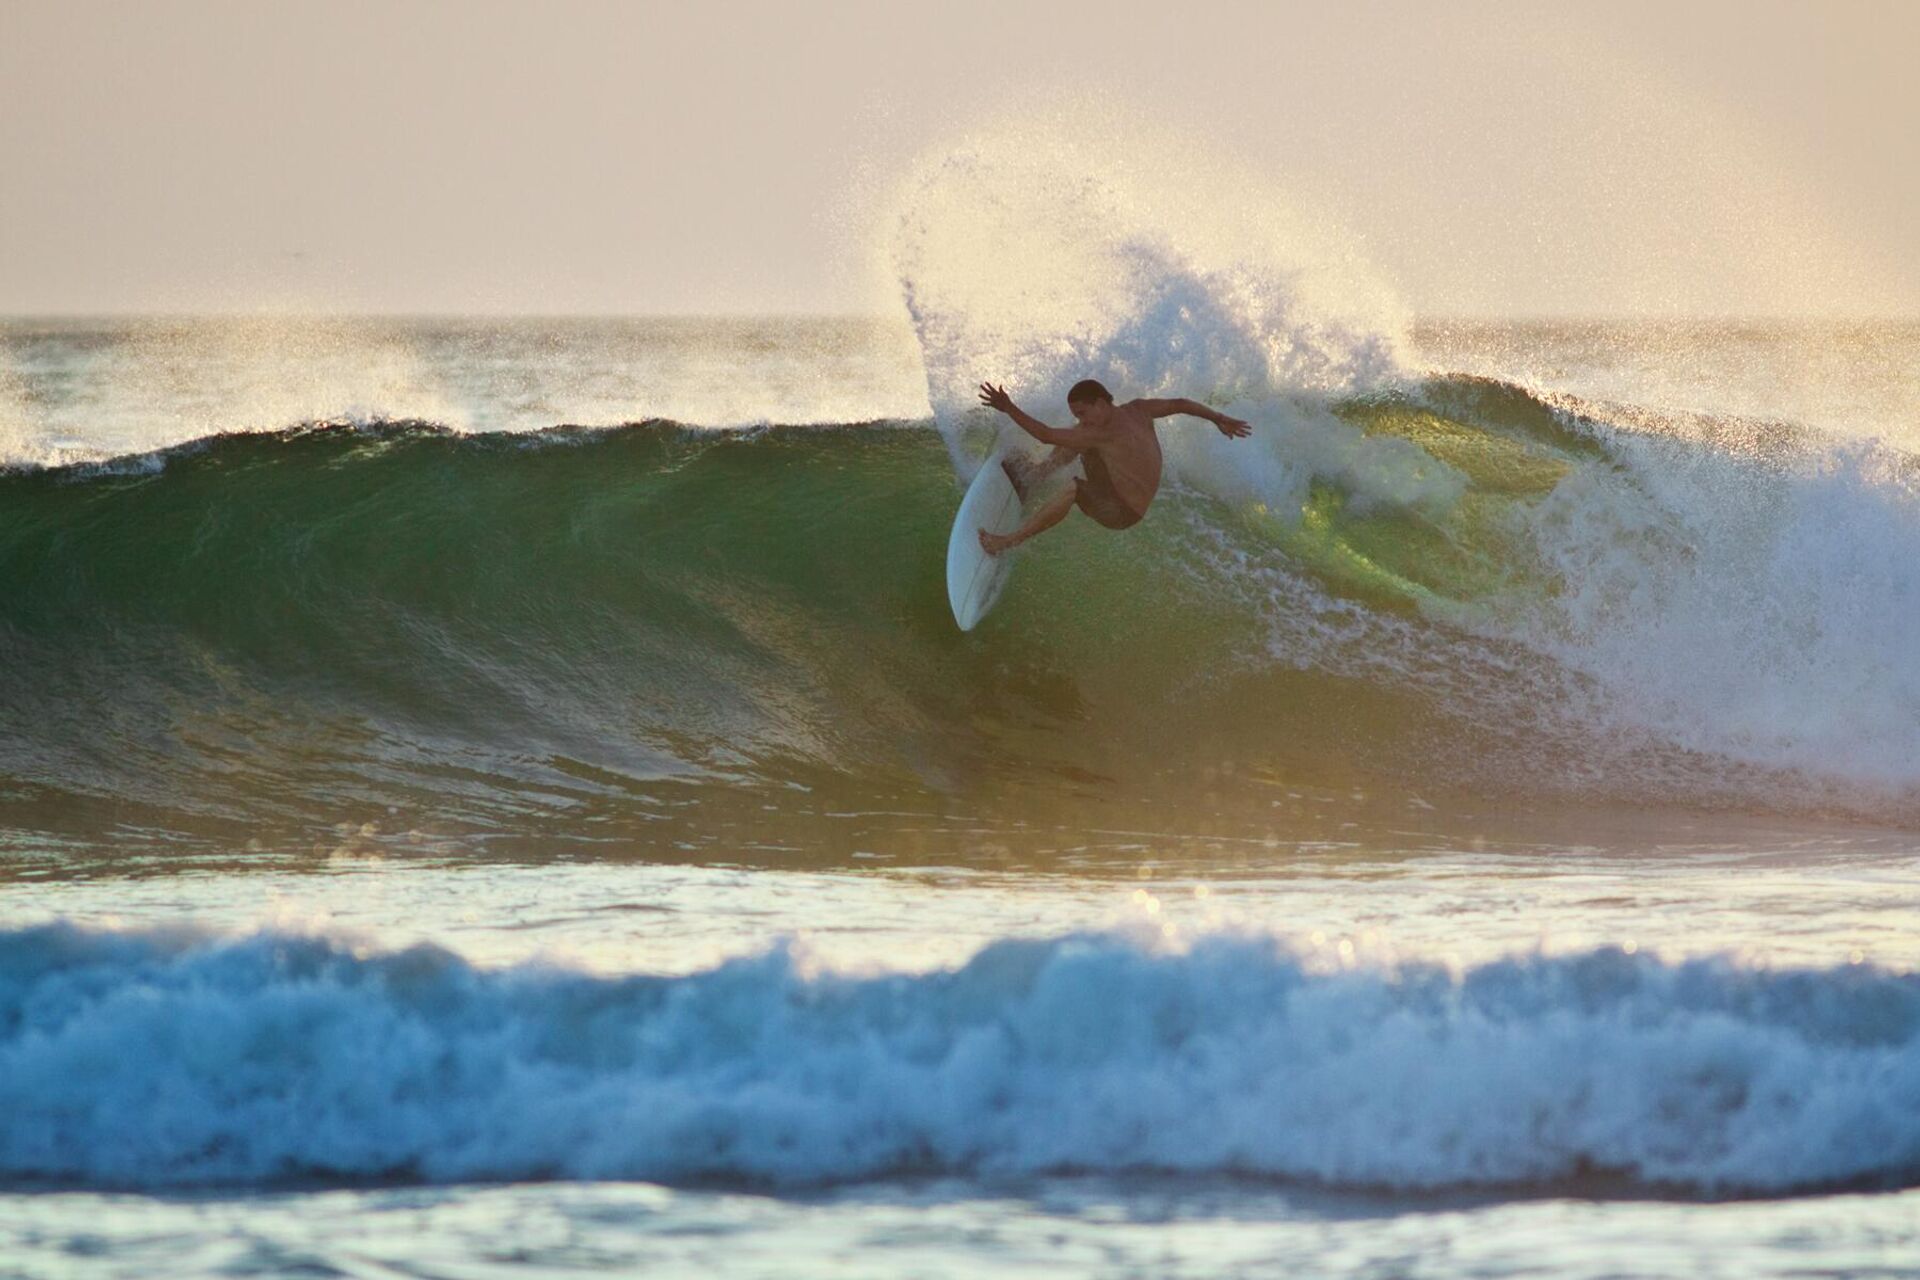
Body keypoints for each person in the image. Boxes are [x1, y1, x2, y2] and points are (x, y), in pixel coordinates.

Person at [975, 378, 1251, 555]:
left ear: (1100, 403)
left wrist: (1009, 407)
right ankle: (1037, 476)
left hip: (1121, 511)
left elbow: (1046, 435)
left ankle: (1008, 541)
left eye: (1083, 412)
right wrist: (1218, 417)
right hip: (1129, 498)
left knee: (1075, 484)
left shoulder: (1103, 433)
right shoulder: (1138, 409)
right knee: (1080, 438)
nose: (1081, 419)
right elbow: (1178, 404)